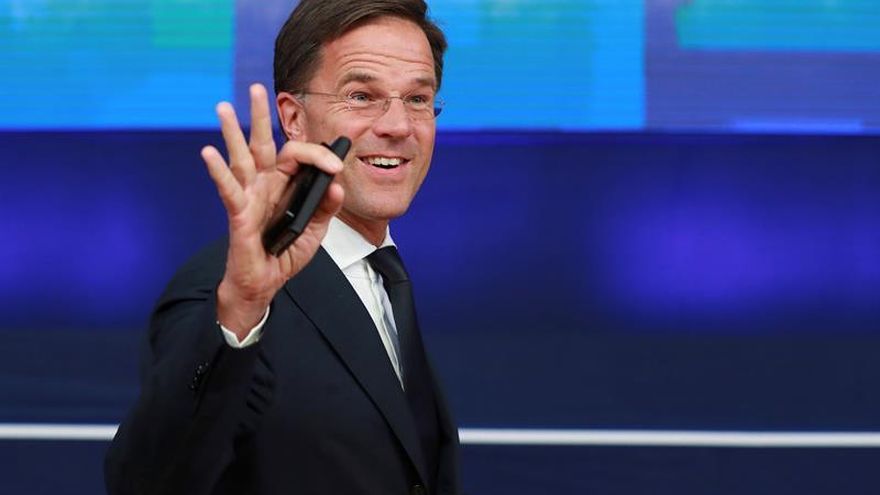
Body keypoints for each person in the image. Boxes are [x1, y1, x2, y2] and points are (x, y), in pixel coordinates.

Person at [104, 1, 459, 494]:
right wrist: (242, 305)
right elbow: (149, 483)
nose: (398, 126)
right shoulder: (228, 290)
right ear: (293, 118)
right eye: (361, 96)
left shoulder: (382, 273)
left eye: (418, 99)